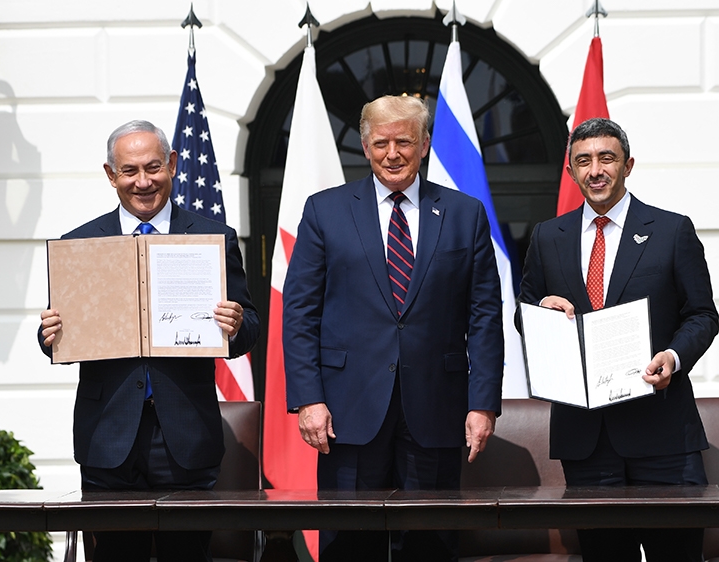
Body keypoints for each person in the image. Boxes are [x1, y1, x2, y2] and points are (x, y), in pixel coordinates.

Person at [281, 95, 504, 561]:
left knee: (431, 544)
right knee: (349, 545)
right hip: (346, 413)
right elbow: (300, 313)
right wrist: (309, 398)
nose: (393, 153)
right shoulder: (326, 211)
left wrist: (483, 404)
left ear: (424, 145)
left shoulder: (465, 214)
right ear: (365, 147)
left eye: (404, 141)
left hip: (437, 411)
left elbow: (485, 318)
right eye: (381, 143)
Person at [38, 120, 259, 562]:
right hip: (108, 435)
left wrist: (236, 324)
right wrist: (49, 336)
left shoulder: (212, 237)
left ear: (173, 165)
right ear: (110, 174)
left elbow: (249, 327)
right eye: (130, 171)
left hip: (186, 435)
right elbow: (57, 337)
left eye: (154, 167)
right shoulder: (79, 244)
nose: (143, 182)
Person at [516, 117, 718, 561]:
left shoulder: (672, 230)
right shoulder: (549, 236)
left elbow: (703, 314)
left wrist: (674, 355)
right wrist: (541, 312)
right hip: (587, 440)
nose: (596, 170)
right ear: (570, 171)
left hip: (663, 433)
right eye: (583, 161)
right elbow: (523, 314)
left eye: (606, 158)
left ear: (628, 165)